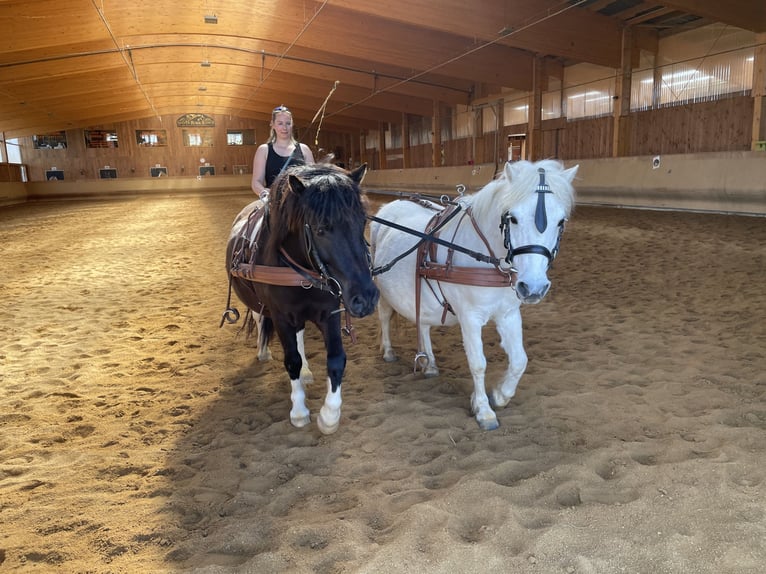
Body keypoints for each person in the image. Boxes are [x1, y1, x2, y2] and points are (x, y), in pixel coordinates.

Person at [251, 105, 315, 200]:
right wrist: (264, 193)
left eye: (288, 123)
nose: (284, 128)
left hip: (300, 202)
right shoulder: (264, 150)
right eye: (280, 123)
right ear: (272, 124)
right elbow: (256, 182)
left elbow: (314, 178)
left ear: (292, 124)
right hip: (273, 201)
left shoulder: (304, 149)